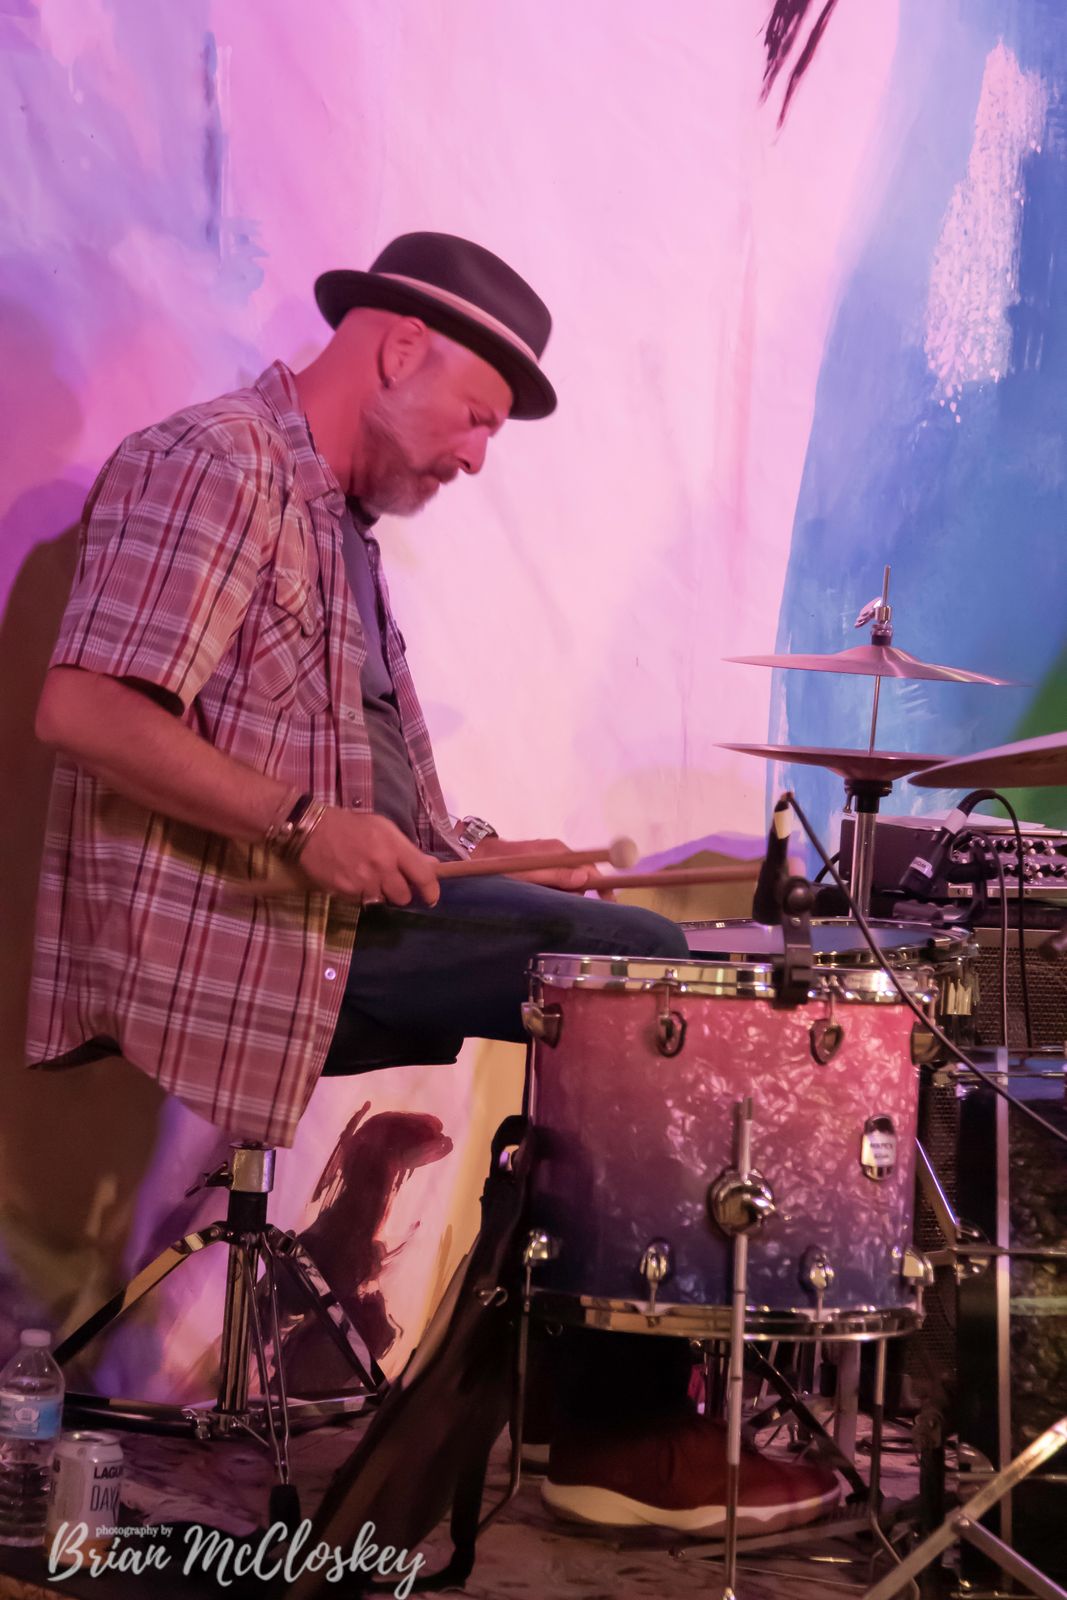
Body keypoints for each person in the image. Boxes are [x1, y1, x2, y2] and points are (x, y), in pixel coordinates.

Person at [27, 232, 836, 1534]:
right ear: (401, 348)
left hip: (331, 914)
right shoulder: (216, 463)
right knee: (640, 984)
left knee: (637, 953)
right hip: (248, 933)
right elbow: (82, 711)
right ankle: (618, 1434)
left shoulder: (330, 521)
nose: (476, 457)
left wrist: (495, 862)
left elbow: (370, 810)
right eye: (477, 418)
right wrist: (301, 823)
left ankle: (594, 1401)